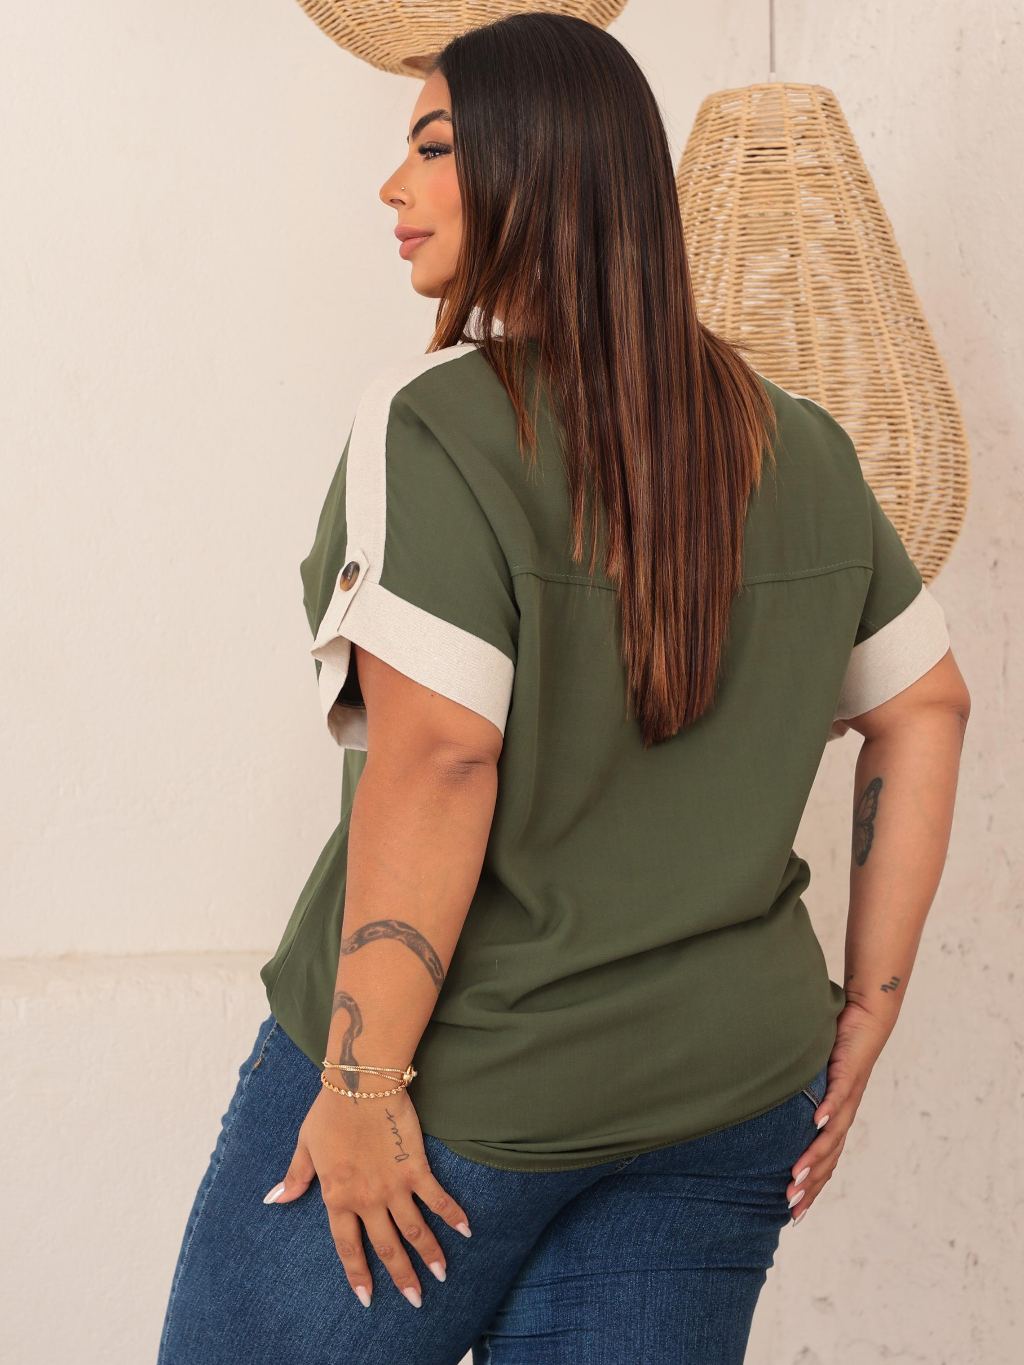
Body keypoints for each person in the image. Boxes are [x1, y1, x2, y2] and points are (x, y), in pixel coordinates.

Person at [156, 14, 970, 1365]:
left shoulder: (435, 427)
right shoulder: (802, 444)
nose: (393, 187)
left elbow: (442, 759)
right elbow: (926, 705)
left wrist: (358, 1081)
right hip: (726, 1090)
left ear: (541, 168)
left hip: (462, 1087)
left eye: (432, 148)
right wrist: (868, 1011)